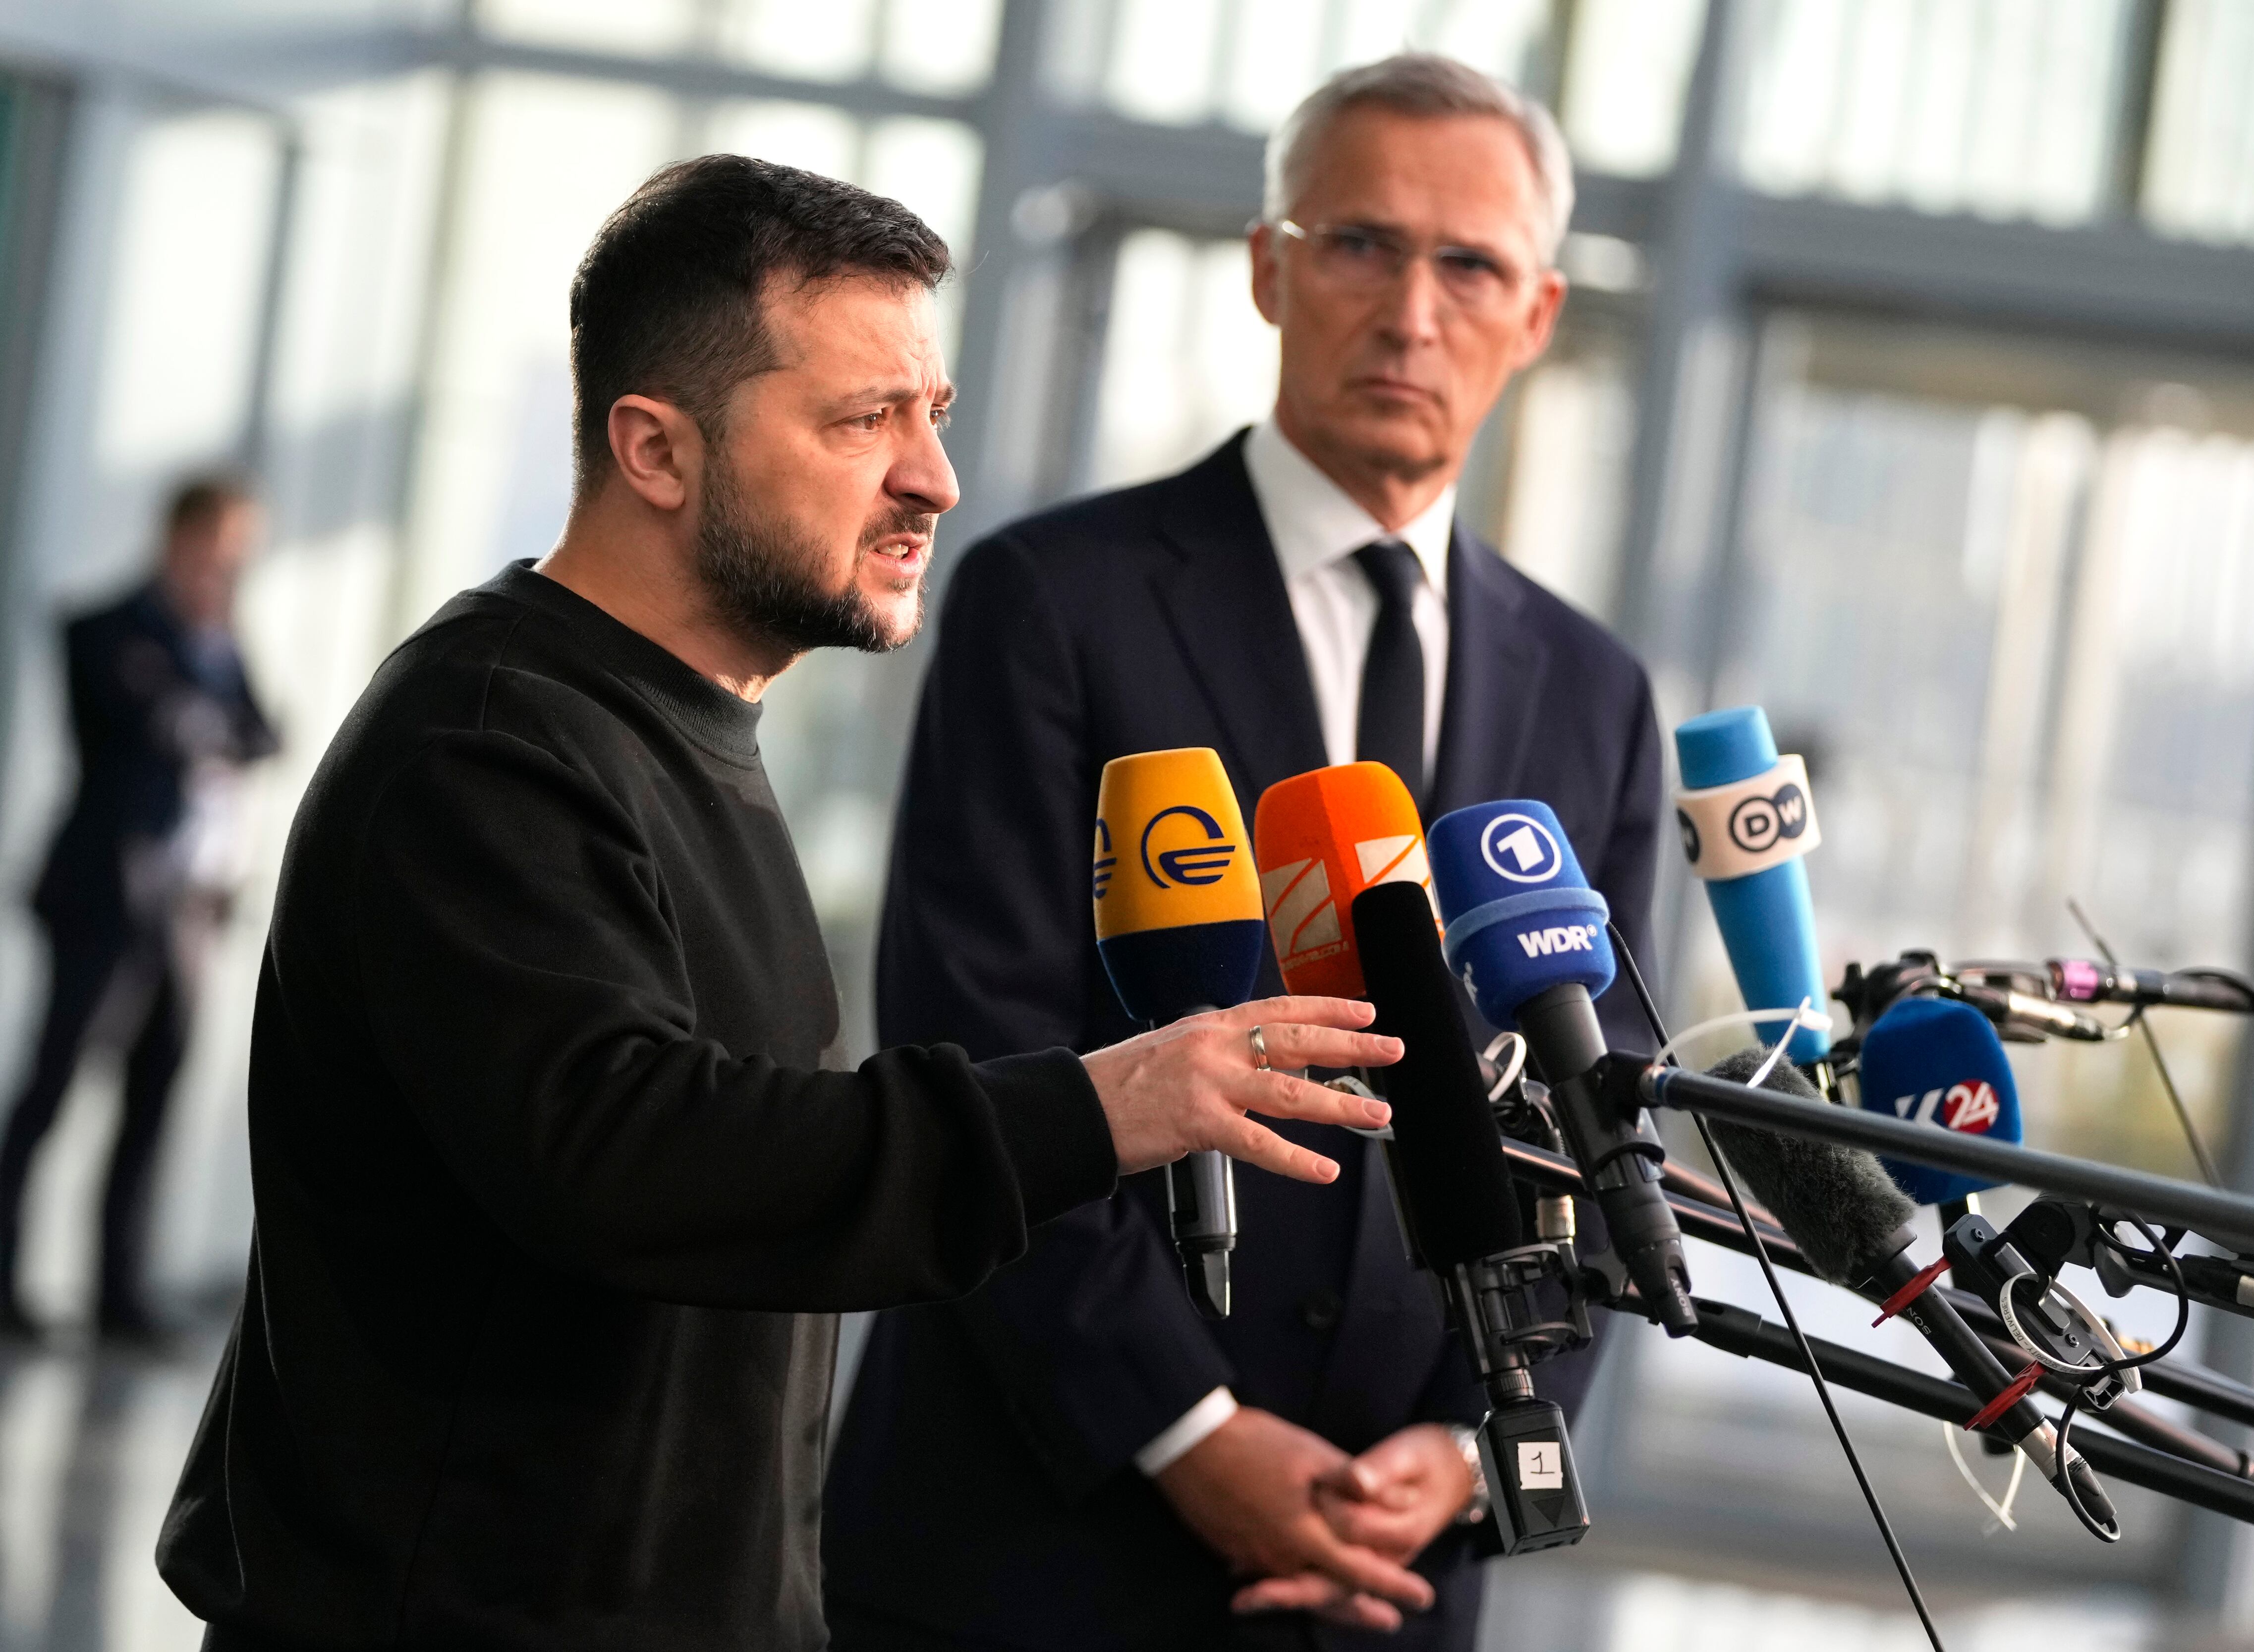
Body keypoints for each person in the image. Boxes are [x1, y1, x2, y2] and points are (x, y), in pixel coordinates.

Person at [154, 156, 1399, 1652]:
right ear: (656, 451)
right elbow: (630, 1150)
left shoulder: (681, 723)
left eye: (932, 415)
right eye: (864, 419)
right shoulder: (485, 741)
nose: (933, 475)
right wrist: (1093, 1106)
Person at [827, 54, 1665, 1652]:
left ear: (1537, 315)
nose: (1412, 310)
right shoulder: (1051, 604)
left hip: (1390, 1572)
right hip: (1035, 1544)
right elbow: (976, 1052)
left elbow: (1594, 1105)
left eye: (1470, 264)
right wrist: (1189, 1431)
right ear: (1271, 269)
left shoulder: (1596, 692)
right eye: (1360, 243)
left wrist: (1477, 1438)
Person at [0, 477, 276, 1342]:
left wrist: (209, 705)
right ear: (181, 537)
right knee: (50, 1092)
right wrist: (206, 717)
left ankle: (118, 1291)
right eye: (219, 549)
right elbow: (166, 727)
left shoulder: (219, 643)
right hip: (104, 901)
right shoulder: (107, 628)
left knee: (153, 1101)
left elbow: (263, 732)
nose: (227, 569)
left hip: (185, 912)